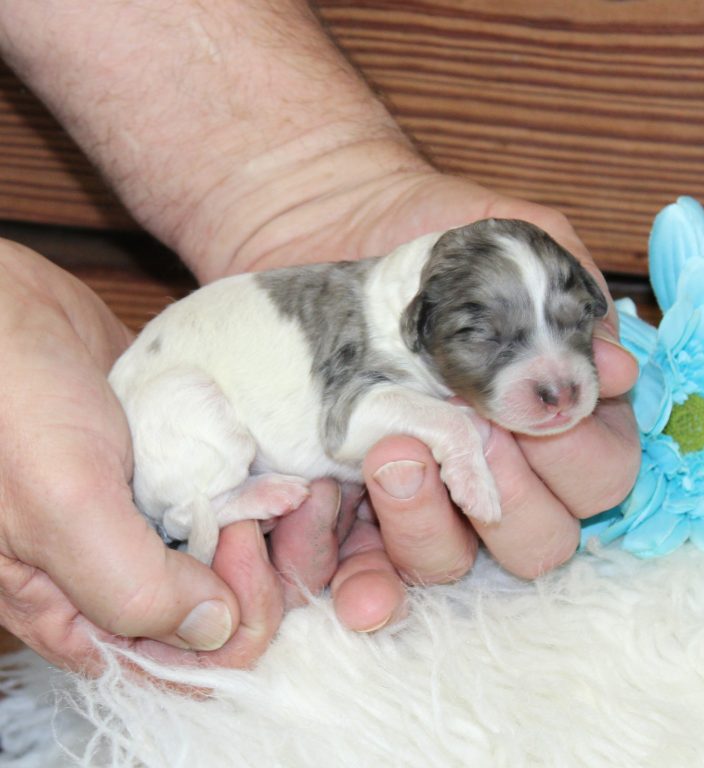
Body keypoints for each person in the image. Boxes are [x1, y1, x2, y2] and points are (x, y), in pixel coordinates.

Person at [0, 0, 640, 675]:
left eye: (574, 324)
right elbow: (348, 426)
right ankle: (204, 505)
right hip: (165, 432)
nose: (560, 375)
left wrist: (318, 182)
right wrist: (454, 437)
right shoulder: (372, 331)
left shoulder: (395, 306)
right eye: (489, 335)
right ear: (418, 323)